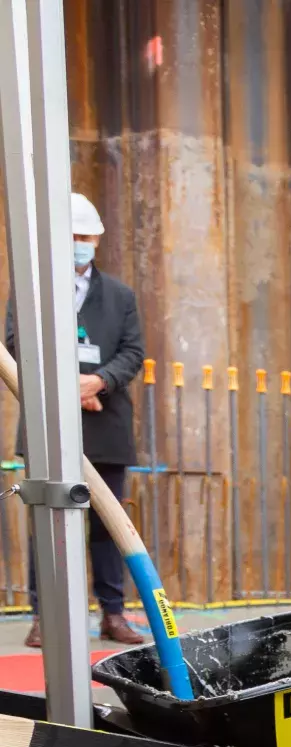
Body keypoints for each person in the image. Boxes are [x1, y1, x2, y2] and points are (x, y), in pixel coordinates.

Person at [5, 192, 145, 648]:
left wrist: (98, 382)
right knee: (47, 520)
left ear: (97, 240)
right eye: (72, 236)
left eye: (87, 236)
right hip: (49, 424)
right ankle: (45, 617)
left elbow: (132, 353)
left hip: (106, 425)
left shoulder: (120, 296)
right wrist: (70, 387)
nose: (80, 243)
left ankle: (112, 613)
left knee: (108, 524)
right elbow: (16, 343)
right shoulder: (32, 291)